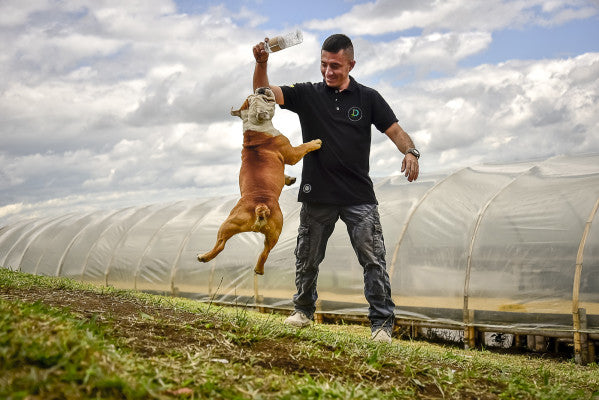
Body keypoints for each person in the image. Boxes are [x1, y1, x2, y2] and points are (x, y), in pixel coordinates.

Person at [252, 33, 420, 343]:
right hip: (318, 195)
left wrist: (411, 151)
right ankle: (302, 311)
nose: (329, 72)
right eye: (324, 65)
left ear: (351, 64)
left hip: (359, 197)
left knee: (374, 260)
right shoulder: (308, 94)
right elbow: (263, 93)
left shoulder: (368, 98)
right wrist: (262, 63)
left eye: (336, 66)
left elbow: (395, 130)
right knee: (307, 257)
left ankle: (382, 325)